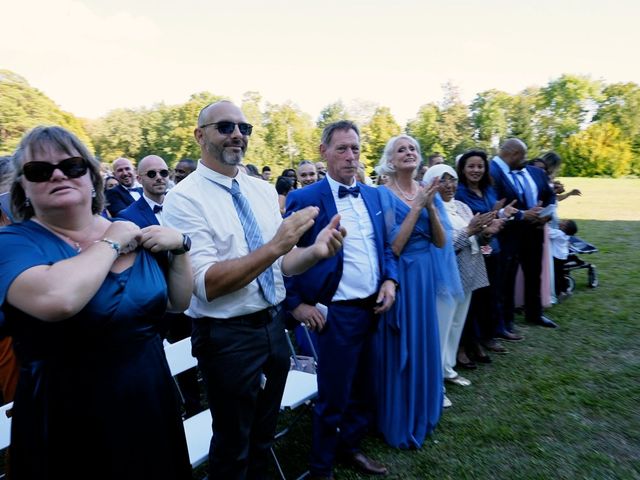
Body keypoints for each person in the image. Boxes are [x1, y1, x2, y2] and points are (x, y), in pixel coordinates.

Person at [162, 100, 345, 480]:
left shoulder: (259, 190)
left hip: (272, 328)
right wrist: (276, 247)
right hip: (227, 339)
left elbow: (282, 263)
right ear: (200, 135)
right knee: (233, 445)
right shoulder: (184, 198)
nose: (237, 135)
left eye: (244, 128)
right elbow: (205, 283)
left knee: (263, 438)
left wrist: (315, 251)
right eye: (225, 126)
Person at [0, 126, 193, 479]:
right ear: (23, 190)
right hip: (67, 418)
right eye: (39, 171)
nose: (57, 174)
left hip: (150, 400)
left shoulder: (128, 228)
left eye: (71, 166)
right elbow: (57, 299)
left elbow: (177, 303)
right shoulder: (11, 243)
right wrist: (113, 241)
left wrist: (181, 247)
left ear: (91, 178)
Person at [284, 120, 398, 479]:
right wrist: (296, 305)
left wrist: (391, 281)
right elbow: (281, 257)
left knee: (365, 388)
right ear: (324, 152)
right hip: (334, 315)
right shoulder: (305, 198)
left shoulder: (373, 196)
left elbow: (386, 247)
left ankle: (350, 448)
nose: (351, 157)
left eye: (355, 149)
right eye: (342, 149)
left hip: (373, 309)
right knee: (333, 396)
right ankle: (321, 469)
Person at [373, 135, 445, 448]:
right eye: (401, 149)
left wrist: (431, 206)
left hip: (426, 272)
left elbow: (440, 241)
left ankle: (425, 406)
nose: (408, 152)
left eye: (413, 148)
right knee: (403, 339)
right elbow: (394, 247)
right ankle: (400, 415)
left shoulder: (426, 191)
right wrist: (417, 208)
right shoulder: (382, 195)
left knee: (424, 339)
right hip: (401, 275)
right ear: (390, 160)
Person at [118, 154, 202, 417]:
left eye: (164, 173)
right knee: (168, 356)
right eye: (151, 174)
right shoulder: (126, 216)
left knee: (199, 347)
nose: (159, 178)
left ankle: (204, 398)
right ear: (140, 178)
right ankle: (185, 405)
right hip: (160, 299)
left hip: (194, 291)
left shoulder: (186, 205)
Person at [424, 164, 500, 406]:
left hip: (469, 271)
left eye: (453, 180)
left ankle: (448, 368)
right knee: (441, 327)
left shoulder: (462, 206)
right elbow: (441, 245)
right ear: (431, 182)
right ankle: (434, 380)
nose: (449, 185)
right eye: (443, 180)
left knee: (457, 324)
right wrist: (469, 230)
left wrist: (487, 231)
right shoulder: (430, 209)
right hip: (447, 276)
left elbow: (475, 236)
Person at [454, 150, 522, 362]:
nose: (476, 170)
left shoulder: (489, 189)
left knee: (492, 295)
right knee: (474, 300)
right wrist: (493, 217)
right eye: (471, 166)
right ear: (463, 169)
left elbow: (492, 217)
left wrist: (502, 214)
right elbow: (466, 223)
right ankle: (472, 341)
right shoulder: (459, 193)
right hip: (473, 251)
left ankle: (488, 336)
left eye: (480, 166)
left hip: (494, 248)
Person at [489, 139, 557, 329]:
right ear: (514, 154)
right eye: (523, 155)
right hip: (508, 233)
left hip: (534, 232)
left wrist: (545, 214)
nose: (526, 160)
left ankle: (535, 313)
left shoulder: (535, 172)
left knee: (534, 273)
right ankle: (506, 320)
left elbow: (549, 194)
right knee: (506, 277)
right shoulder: (492, 171)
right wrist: (523, 215)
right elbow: (494, 203)